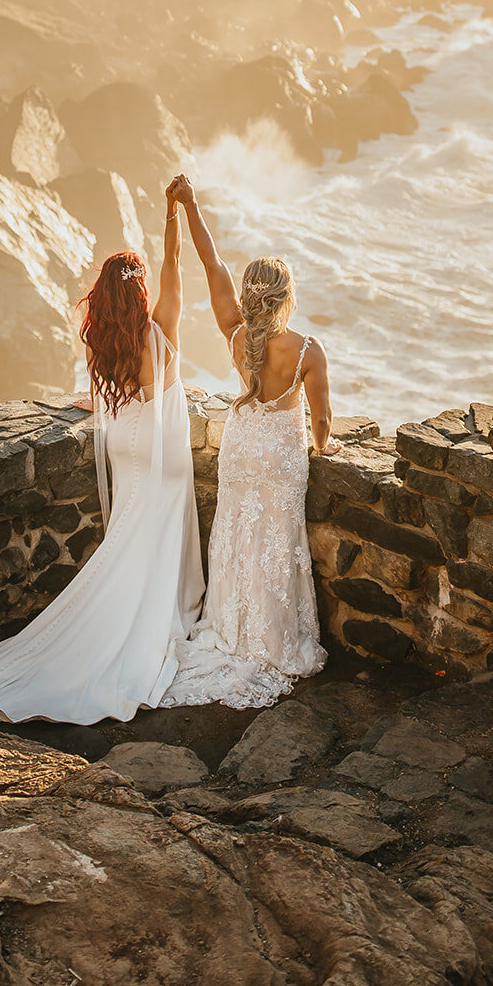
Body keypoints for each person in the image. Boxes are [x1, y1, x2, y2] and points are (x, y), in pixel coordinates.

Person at [0, 186, 203, 723]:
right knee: (157, 533)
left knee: (129, 535)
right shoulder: (161, 333)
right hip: (162, 450)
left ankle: (119, 615)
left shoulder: (106, 346)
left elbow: (101, 397)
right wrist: (174, 212)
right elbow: (175, 262)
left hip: (123, 442)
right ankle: (159, 617)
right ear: (139, 297)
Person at [161, 174, 338, 709]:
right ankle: (274, 639)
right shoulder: (308, 350)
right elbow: (324, 423)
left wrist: (190, 207)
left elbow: (209, 265)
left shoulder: (236, 335)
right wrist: (326, 449)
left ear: (248, 296)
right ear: (287, 298)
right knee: (277, 542)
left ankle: (233, 630)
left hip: (241, 447)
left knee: (238, 539)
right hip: (282, 455)